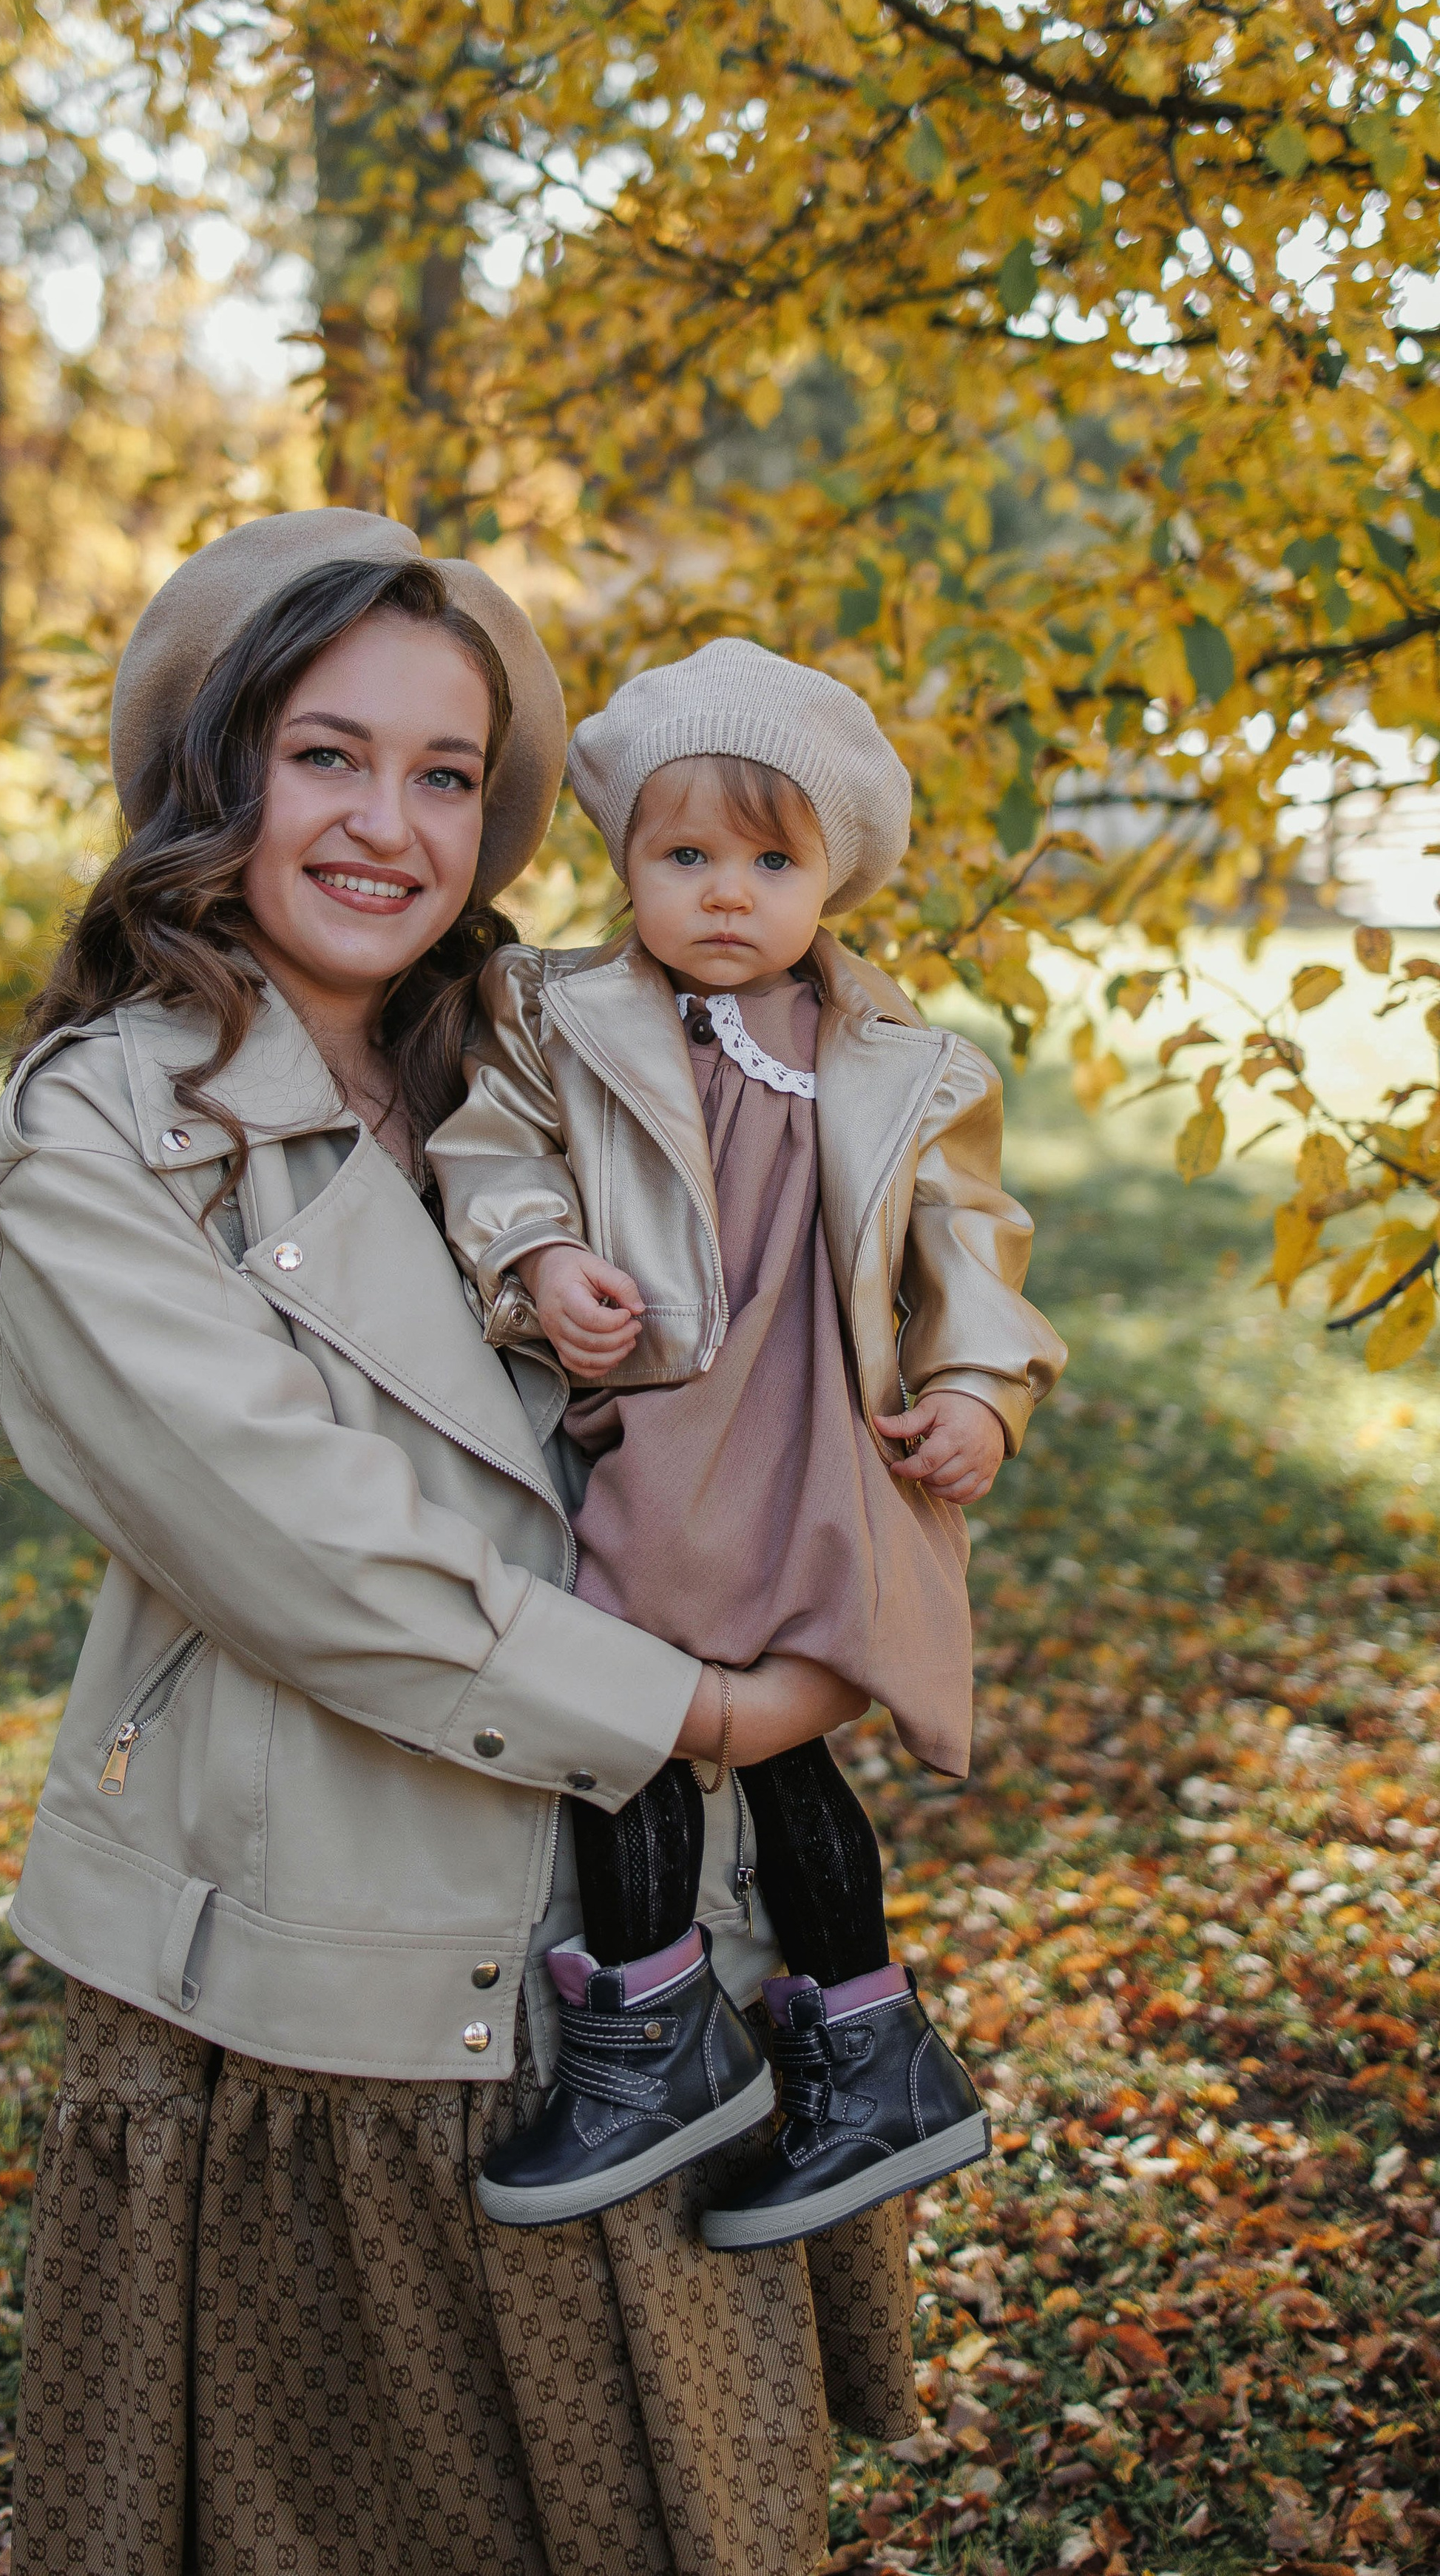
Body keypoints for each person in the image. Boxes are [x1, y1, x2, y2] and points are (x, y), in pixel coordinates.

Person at [0, 516, 919, 2576]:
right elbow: (322, 1561)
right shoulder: (104, 1139)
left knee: (677, 2507)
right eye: (327, 757)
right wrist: (710, 1709)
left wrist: (897, 1494)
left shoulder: (575, 1056)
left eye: (443, 774)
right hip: (339, 1957)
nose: (389, 827)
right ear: (217, 774)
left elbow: (802, 1339)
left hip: (661, 1934)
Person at [429, 638, 1067, 2248]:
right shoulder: (561, 1021)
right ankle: (658, 2033)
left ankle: (858, 2038)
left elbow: (966, 1236)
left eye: (768, 860)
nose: (724, 893)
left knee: (788, 1743)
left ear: (829, 875)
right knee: (625, 1704)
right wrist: (535, 1259)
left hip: (825, 1446)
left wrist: (979, 1390)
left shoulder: (895, 1060)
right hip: (669, 1435)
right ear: (626, 863)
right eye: (684, 854)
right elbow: (490, 1149)